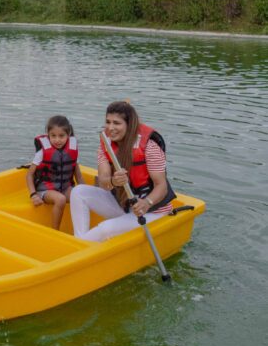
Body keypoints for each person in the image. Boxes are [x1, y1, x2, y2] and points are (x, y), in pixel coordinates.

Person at [70, 101, 176, 242]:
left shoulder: (150, 146)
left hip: (151, 211)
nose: (111, 128)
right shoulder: (105, 143)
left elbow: (161, 186)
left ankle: (78, 249)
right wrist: (114, 181)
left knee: (105, 229)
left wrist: (146, 203)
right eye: (108, 122)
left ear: (129, 124)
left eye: (117, 123)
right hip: (124, 205)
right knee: (78, 192)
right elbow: (104, 181)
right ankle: (80, 242)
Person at [26, 115, 84, 230]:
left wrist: (84, 189)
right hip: (45, 190)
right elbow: (29, 175)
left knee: (81, 196)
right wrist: (33, 195)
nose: (57, 140)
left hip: (64, 188)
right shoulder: (42, 153)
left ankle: (80, 231)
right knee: (60, 199)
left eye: (61, 136)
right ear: (48, 135)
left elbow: (78, 174)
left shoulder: (72, 150)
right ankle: (55, 231)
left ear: (68, 134)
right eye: (53, 136)